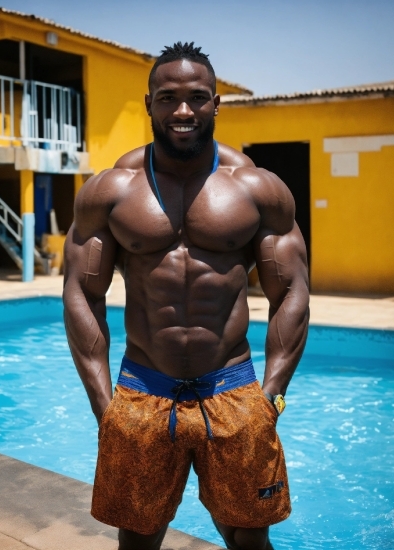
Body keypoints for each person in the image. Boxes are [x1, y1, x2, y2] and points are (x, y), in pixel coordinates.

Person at [63, 42, 309, 550]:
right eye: (168, 97)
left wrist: (271, 398)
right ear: (148, 103)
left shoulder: (256, 188)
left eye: (197, 97)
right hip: (142, 390)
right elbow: (81, 294)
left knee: (248, 538)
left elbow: (293, 292)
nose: (182, 111)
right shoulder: (111, 190)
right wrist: (104, 405)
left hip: (235, 390)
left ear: (216, 104)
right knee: (137, 538)